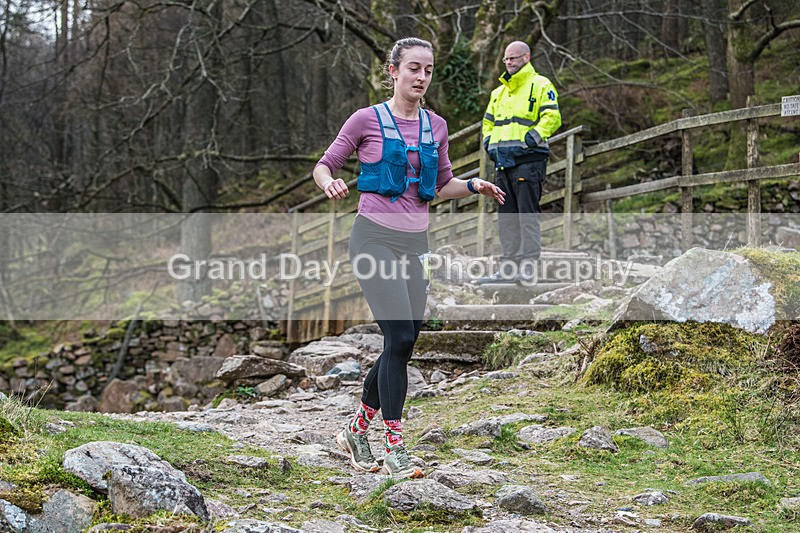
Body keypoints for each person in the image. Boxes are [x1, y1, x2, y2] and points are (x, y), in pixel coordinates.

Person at [313, 37, 505, 479]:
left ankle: (355, 431)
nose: (422, 77)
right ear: (394, 71)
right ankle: (394, 446)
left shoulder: (436, 126)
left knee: (403, 342)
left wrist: (473, 185)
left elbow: (440, 185)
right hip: (373, 240)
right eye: (414, 69)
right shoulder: (366, 119)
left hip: (416, 245)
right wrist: (329, 183)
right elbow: (326, 164)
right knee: (399, 337)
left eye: (429, 70)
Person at [475, 41, 562, 284]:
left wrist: (529, 140)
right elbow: (487, 124)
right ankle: (508, 269)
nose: (509, 63)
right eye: (506, 59)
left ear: (527, 57)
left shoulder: (541, 84)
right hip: (503, 162)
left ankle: (529, 267)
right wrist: (489, 144)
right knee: (507, 217)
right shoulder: (498, 93)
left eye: (513, 58)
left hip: (529, 161)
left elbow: (552, 117)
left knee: (527, 215)